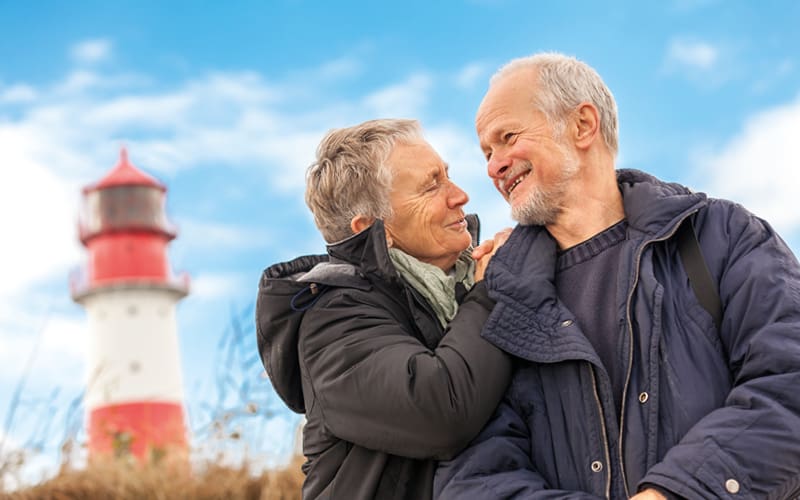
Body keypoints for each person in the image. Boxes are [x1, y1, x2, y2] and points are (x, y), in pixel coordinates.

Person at [434, 53, 800, 499]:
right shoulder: (499, 297)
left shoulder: (722, 236)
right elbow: (474, 475)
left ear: (583, 124)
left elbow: (787, 383)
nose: (493, 166)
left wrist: (675, 492)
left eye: (507, 138)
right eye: (487, 153)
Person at [255, 118, 512, 499]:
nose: (460, 196)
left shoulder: (461, 290)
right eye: (431, 186)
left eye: (447, 175)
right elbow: (441, 411)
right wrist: (492, 290)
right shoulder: (333, 323)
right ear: (375, 228)